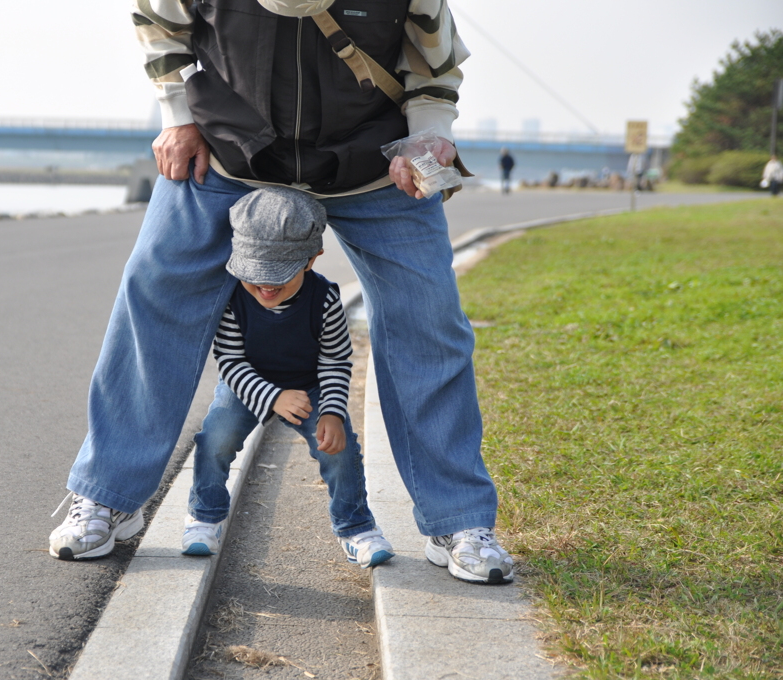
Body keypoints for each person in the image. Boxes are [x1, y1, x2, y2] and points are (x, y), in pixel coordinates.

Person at [49, 0, 514, 585]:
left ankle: (459, 519)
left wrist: (431, 134)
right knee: (156, 288)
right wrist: (176, 114)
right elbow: (158, 17)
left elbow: (433, 51)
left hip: (371, 162)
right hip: (229, 153)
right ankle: (108, 494)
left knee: (430, 319)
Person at [181, 186, 394, 569]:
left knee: (340, 450)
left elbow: (335, 358)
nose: (264, 286)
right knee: (215, 437)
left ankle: (356, 527)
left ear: (312, 259)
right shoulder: (232, 297)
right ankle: (204, 516)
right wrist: (274, 397)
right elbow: (229, 359)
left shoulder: (325, 299)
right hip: (246, 382)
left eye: (279, 276)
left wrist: (330, 411)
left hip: (311, 385)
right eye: (254, 275)